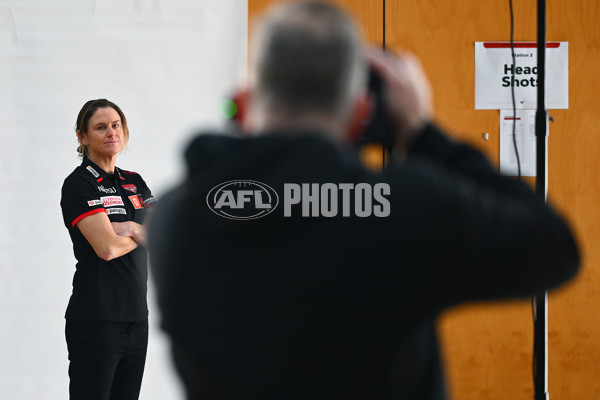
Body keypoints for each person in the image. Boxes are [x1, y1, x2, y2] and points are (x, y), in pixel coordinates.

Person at [148, 2, 580, 400]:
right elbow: (554, 246)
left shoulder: (172, 218)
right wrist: (422, 131)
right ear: (360, 113)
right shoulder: (402, 208)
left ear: (244, 102)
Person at [60, 99, 155, 400]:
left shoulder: (134, 182)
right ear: (83, 137)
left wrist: (129, 227)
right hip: (96, 320)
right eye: (100, 127)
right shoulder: (78, 184)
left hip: (137, 319)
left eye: (116, 125)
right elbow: (107, 248)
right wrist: (141, 232)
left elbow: (162, 233)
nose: (111, 132)